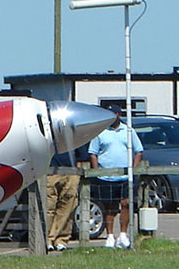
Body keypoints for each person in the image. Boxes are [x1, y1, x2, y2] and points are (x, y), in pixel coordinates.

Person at [87, 105, 143, 249]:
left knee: (125, 203)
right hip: (106, 177)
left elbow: (138, 151)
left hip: (125, 177)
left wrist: (134, 169)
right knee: (109, 207)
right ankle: (110, 236)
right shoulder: (100, 132)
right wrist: (96, 171)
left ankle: (123, 235)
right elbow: (93, 153)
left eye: (114, 114)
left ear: (119, 114)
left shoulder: (128, 131)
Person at [46, 143, 88, 252]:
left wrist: (76, 172)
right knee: (48, 207)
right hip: (50, 171)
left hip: (71, 171)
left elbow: (82, 155)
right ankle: (47, 239)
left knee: (68, 207)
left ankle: (61, 239)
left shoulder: (73, 131)